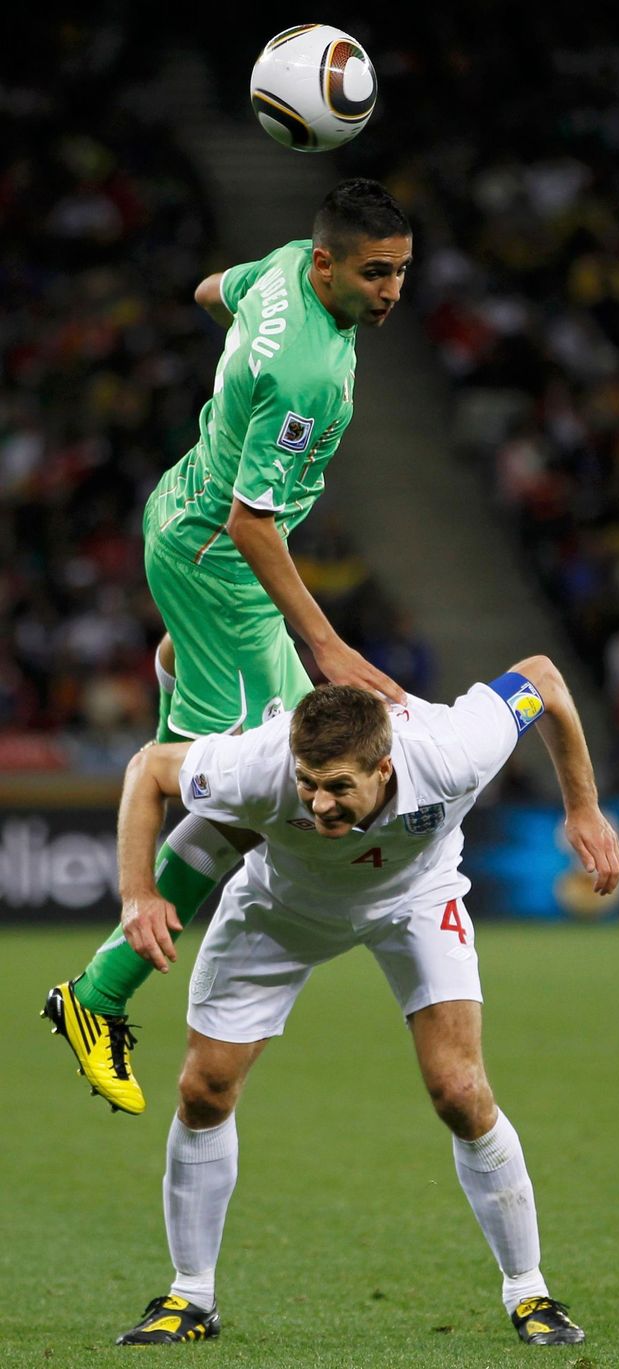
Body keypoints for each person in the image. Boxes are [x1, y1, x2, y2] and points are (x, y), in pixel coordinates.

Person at [109, 655, 619, 1347]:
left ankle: (530, 1293)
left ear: (384, 769)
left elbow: (546, 679)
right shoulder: (257, 761)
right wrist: (139, 891)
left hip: (416, 899)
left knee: (460, 1090)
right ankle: (190, 1296)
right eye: (308, 783)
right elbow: (150, 769)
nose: (318, 802)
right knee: (204, 1089)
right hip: (279, 907)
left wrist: (582, 806)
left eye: (338, 786)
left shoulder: (452, 750)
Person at [42, 178, 414, 1114]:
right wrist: (324, 642)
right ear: (329, 262)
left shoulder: (285, 270)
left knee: (265, 781)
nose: (393, 292)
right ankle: (97, 995)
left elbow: (215, 290)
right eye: (376, 273)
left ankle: (182, 673)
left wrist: (245, 349)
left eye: (403, 271)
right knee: (267, 786)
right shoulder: (310, 374)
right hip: (223, 563)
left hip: (180, 510)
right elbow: (257, 524)